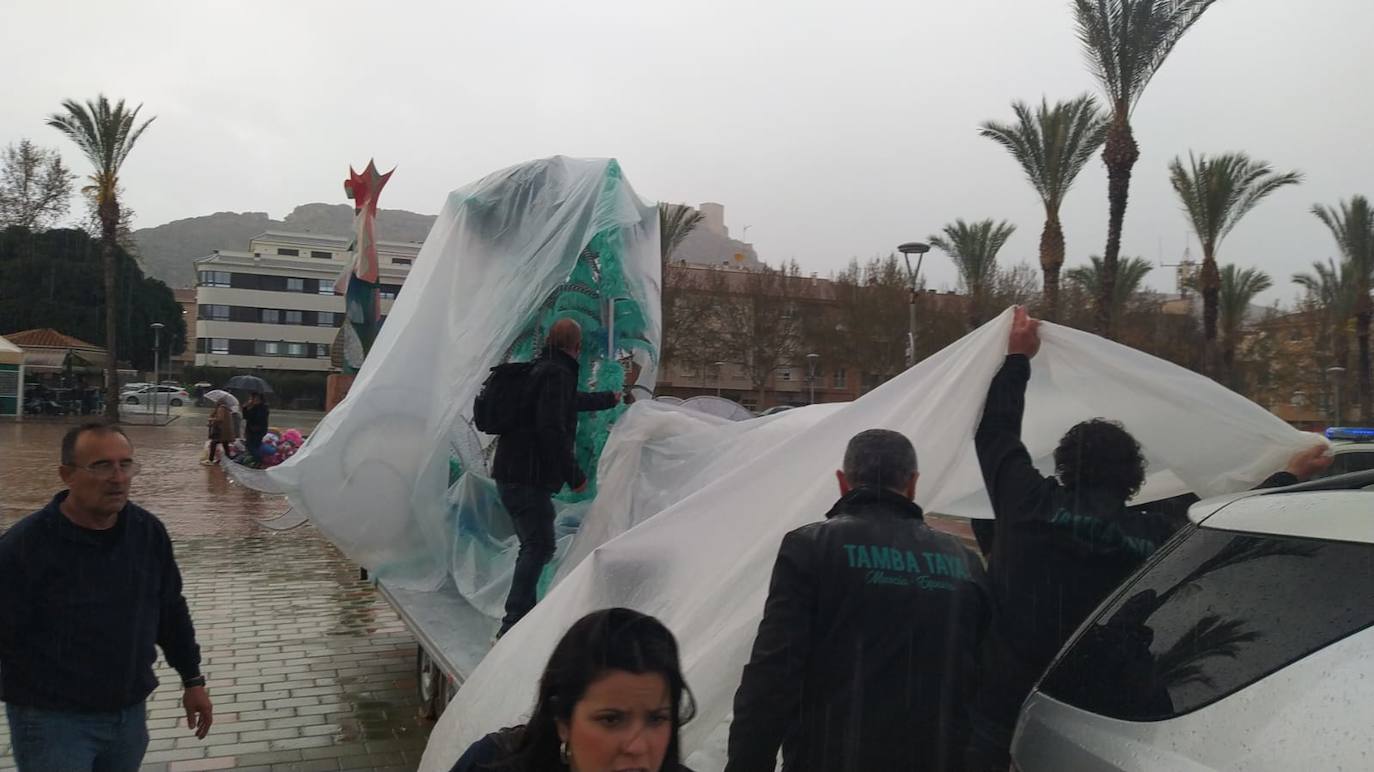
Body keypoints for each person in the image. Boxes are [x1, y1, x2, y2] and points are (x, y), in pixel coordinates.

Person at [964, 307, 1334, 770]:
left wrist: (1017, 358)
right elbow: (1230, 522)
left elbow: (994, 430)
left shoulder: (1027, 502)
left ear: (1064, 464)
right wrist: (1288, 474)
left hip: (1004, 702)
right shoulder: (1157, 537)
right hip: (1094, 712)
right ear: (1134, 477)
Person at [726, 429, 990, 772]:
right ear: (912, 484)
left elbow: (774, 674)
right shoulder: (963, 561)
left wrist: (747, 763)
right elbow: (985, 680)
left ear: (842, 481)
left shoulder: (812, 547)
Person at [0, 420, 213, 771]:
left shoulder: (147, 533)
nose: (118, 477)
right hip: (54, 723)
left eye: (125, 464)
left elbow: (170, 611)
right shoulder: (24, 548)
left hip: (127, 717)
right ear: (66, 474)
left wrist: (193, 680)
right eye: (102, 466)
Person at [490, 318, 621, 638]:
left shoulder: (542, 370)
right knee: (539, 545)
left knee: (534, 545)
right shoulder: (556, 374)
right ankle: (512, 625)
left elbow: (568, 403)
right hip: (526, 478)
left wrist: (607, 398)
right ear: (576, 347)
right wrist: (574, 475)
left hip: (512, 473)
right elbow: (551, 429)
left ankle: (523, 618)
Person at [451, 608, 695, 772]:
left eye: (657, 719)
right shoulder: (488, 762)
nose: (638, 746)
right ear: (563, 722)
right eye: (611, 719)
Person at [204, 399, 235, 465]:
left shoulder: (221, 408)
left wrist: (211, 419)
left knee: (213, 443)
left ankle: (210, 460)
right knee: (225, 444)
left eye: (216, 401)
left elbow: (220, 419)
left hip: (221, 430)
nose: (215, 402)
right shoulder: (226, 409)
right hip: (226, 431)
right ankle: (228, 460)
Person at [243, 391, 269, 456]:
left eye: (252, 398)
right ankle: (256, 460)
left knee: (253, 446)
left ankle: (259, 460)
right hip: (251, 430)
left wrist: (252, 407)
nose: (251, 399)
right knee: (249, 445)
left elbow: (257, 418)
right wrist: (245, 408)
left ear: (257, 398)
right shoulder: (254, 407)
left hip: (258, 430)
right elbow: (246, 417)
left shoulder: (263, 407)